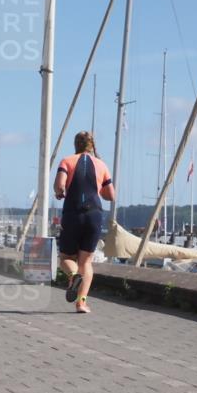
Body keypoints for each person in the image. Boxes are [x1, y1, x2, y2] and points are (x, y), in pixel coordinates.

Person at [53, 131, 114, 314]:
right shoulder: (101, 164)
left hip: (73, 213)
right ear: (91, 145)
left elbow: (59, 185)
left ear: (76, 144)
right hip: (94, 215)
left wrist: (60, 192)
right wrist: (97, 188)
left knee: (65, 258)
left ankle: (73, 276)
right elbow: (111, 195)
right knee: (86, 262)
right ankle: (81, 303)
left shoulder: (67, 161)